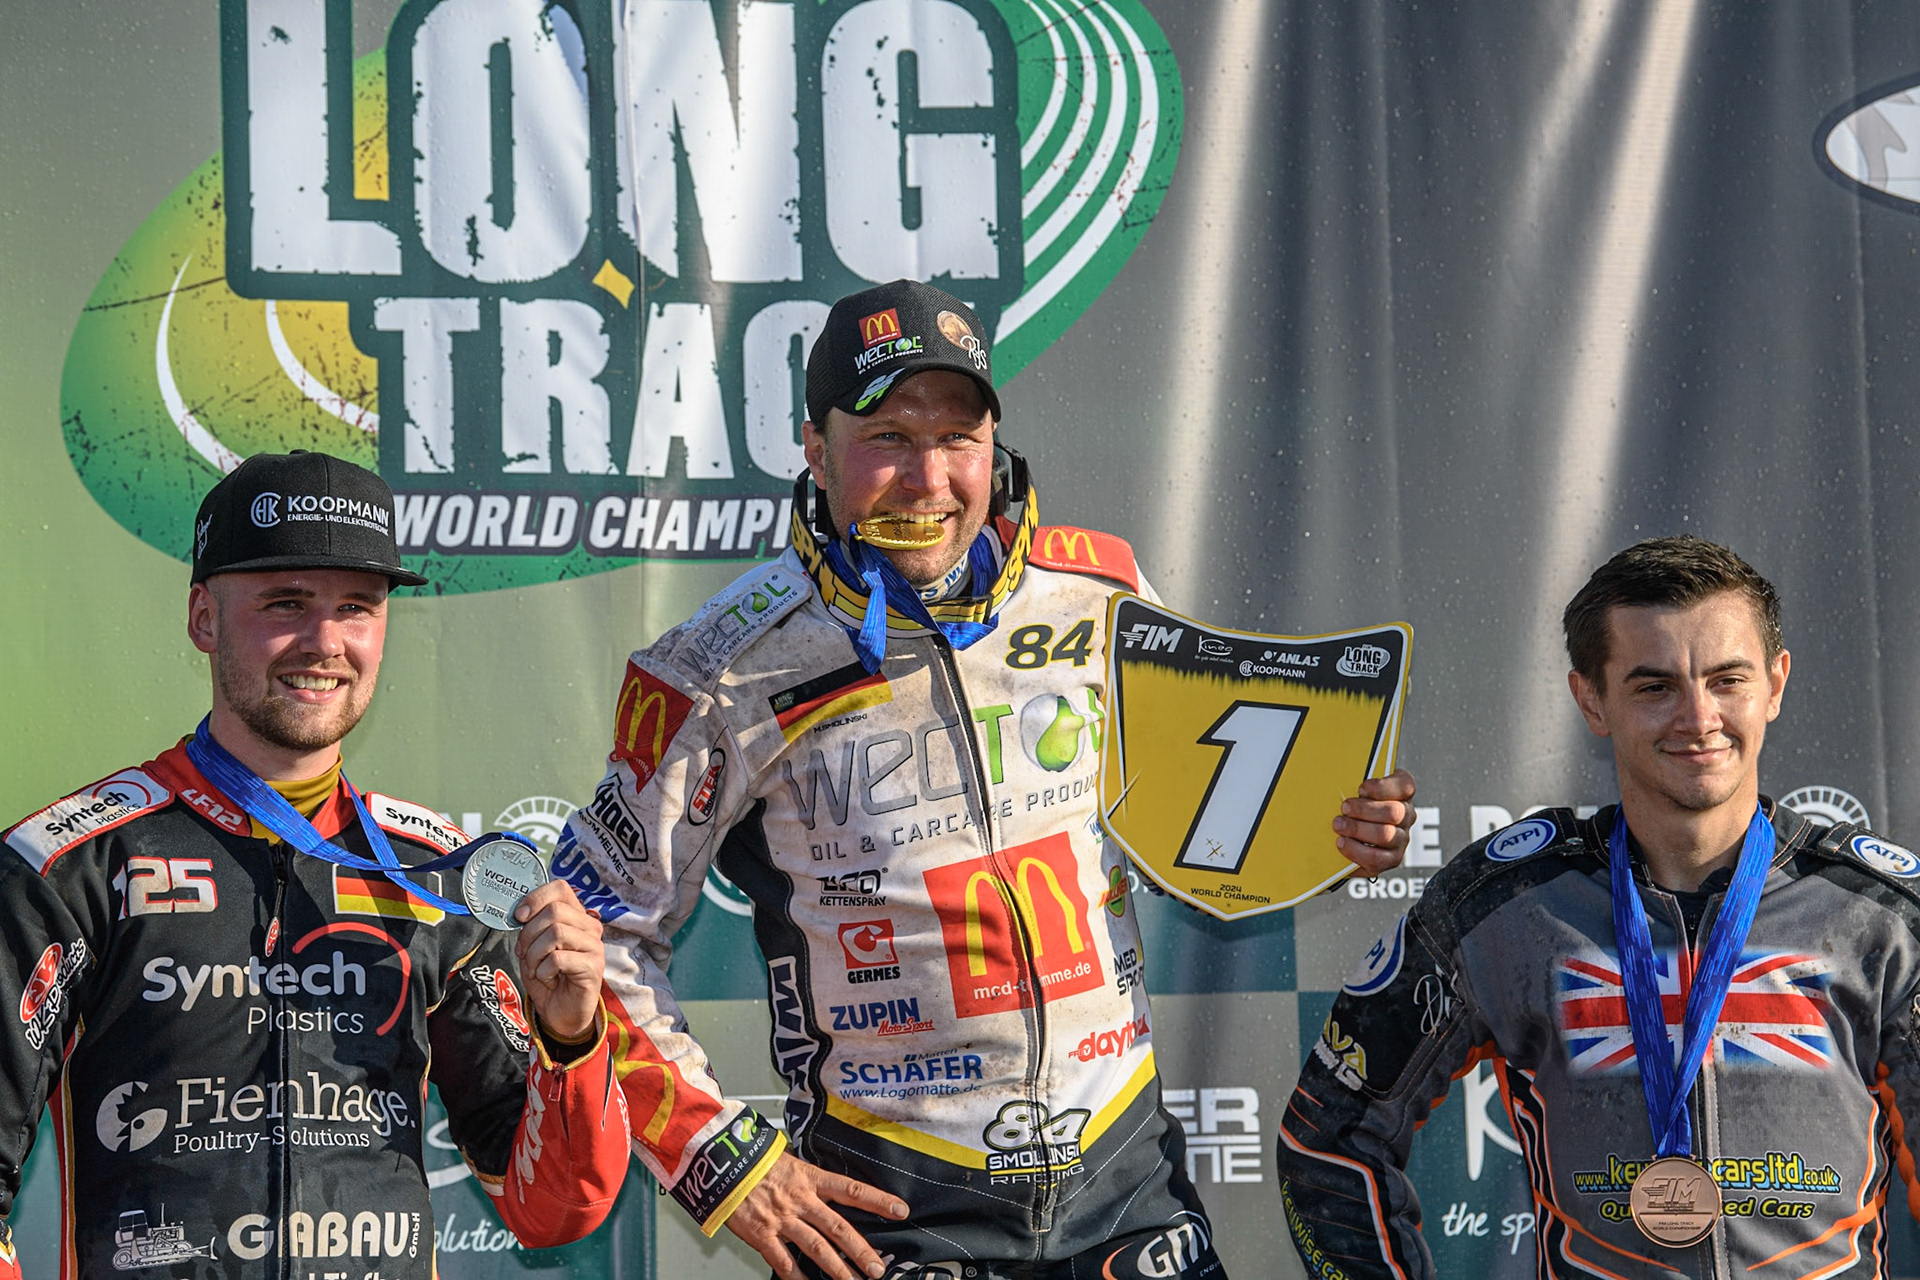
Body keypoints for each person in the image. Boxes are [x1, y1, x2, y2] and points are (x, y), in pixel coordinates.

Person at [551, 278, 1417, 1280]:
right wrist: (723, 1162)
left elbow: (1195, 831)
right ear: (814, 449)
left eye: (958, 438)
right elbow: (592, 928)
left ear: (994, 443)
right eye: (887, 438)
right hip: (898, 1203)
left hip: (1124, 1180)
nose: (928, 477)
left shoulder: (1100, 590)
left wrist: (1328, 831)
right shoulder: (720, 666)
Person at [0, 452, 631, 1278]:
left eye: (357, 609)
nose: (325, 643)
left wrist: (571, 1036)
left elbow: (552, 1206)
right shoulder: (68, 865)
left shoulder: (436, 875)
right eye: (285, 603)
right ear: (203, 618)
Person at [1277, 536, 1920, 1278]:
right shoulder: (1507, 907)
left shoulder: (1881, 914)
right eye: (1654, 687)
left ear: (1774, 685)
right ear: (1593, 700)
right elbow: (1328, 1140)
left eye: (1727, 680)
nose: (1698, 717)